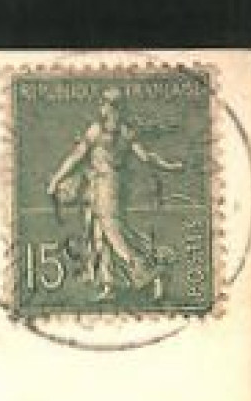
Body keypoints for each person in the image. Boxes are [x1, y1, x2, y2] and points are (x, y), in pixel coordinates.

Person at [45, 86, 184, 302]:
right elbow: (146, 157)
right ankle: (109, 285)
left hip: (104, 186)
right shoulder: (126, 131)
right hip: (109, 185)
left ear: (111, 107)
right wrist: (170, 166)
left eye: (104, 103)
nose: (101, 107)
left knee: (113, 235)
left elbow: (75, 157)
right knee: (99, 236)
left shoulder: (97, 130)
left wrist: (56, 179)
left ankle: (152, 274)